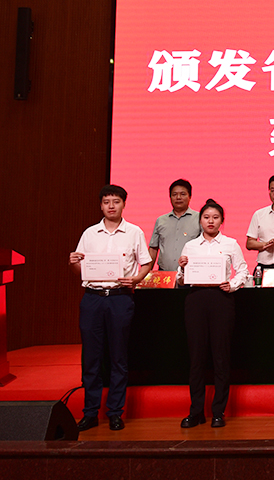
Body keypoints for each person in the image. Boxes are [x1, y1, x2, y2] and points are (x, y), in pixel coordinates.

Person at [68, 185, 152, 432]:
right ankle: (90, 413)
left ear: (124, 204)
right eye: (107, 202)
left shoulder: (134, 232)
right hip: (92, 298)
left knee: (118, 356)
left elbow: (146, 264)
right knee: (91, 357)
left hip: (119, 298)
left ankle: (115, 412)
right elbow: (81, 270)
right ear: (101, 205)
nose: (111, 206)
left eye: (116, 201)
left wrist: (136, 279)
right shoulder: (90, 233)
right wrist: (73, 263)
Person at [177, 199, 248, 428]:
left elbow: (243, 271)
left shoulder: (230, 244)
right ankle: (196, 411)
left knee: (220, 356)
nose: (211, 221)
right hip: (196, 299)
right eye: (206, 217)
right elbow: (180, 279)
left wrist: (232, 285)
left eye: (215, 217)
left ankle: (218, 411)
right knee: (196, 357)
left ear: (222, 221)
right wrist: (182, 268)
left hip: (221, 299)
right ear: (200, 220)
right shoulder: (190, 246)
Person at [148, 178, 201, 274]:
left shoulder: (199, 219)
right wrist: (146, 273)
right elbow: (153, 249)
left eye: (183, 194)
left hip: (191, 273)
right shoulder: (161, 220)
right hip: (164, 274)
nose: (178, 197)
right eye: (174, 194)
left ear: (190, 196)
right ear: (170, 197)